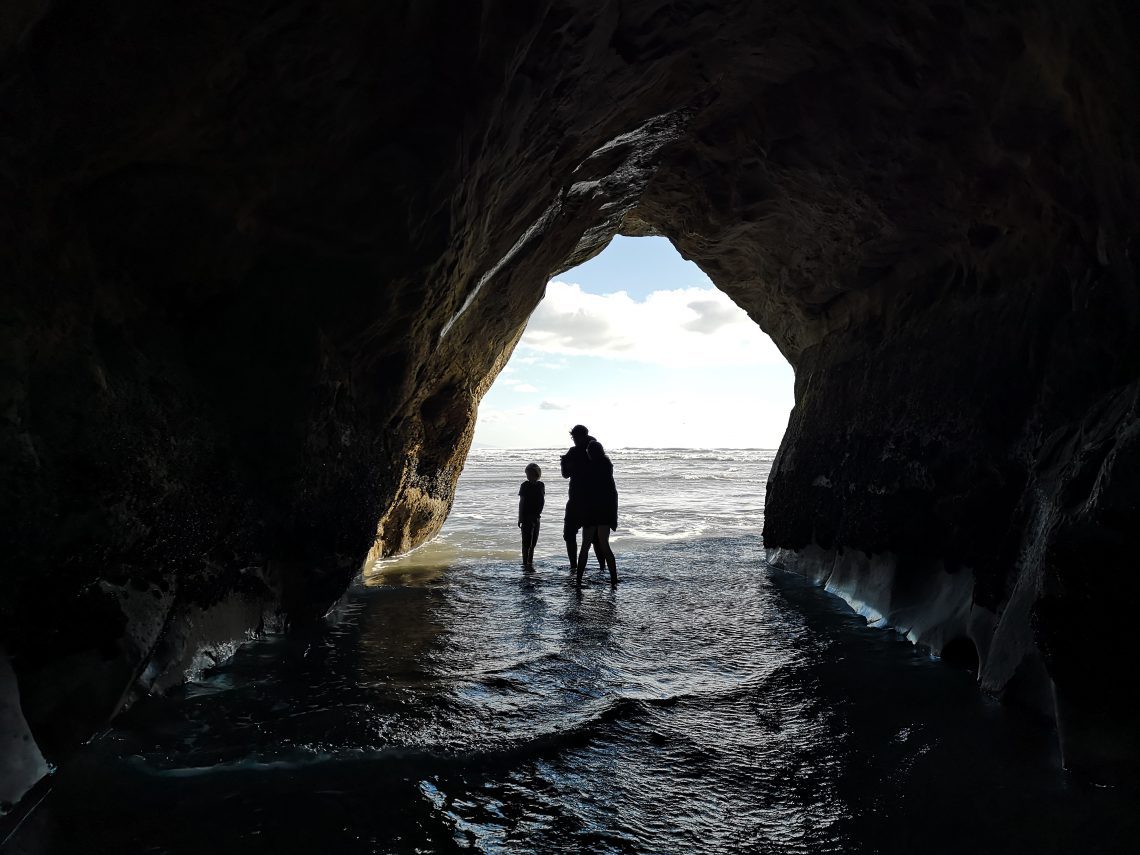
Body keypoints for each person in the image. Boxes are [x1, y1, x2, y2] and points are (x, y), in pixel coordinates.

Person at [575, 439, 618, 587]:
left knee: (585, 546)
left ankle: (578, 580)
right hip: (605, 512)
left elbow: (584, 494)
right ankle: (614, 580)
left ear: (591, 453)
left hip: (591, 512)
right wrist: (613, 518)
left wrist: (581, 513)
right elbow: (613, 495)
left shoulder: (589, 469)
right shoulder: (607, 469)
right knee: (604, 545)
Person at [560, 424, 595, 570]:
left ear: (581, 436)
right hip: (591, 499)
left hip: (578, 499)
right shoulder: (595, 450)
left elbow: (565, 474)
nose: (573, 440)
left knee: (570, 534)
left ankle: (574, 566)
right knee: (595, 538)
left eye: (575, 437)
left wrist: (565, 462)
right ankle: (597, 568)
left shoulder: (576, 452)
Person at [518, 462, 544, 569]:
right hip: (527, 517)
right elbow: (521, 502)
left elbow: (542, 500)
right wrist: (520, 517)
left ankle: (530, 562)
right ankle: (525, 563)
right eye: (527, 473)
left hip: (537, 517)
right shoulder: (524, 485)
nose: (527, 476)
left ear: (536, 473)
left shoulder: (541, 485)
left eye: (529, 473)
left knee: (533, 543)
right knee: (526, 542)